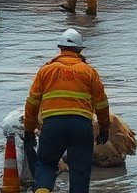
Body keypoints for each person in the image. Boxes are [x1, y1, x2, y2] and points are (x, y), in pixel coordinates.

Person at [23, 28, 110, 193]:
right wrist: (105, 127)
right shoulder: (89, 72)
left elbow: (32, 103)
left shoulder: (46, 71)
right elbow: (101, 103)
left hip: (52, 126)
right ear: (78, 50)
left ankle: (42, 190)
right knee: (80, 172)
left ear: (60, 48)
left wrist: (29, 129)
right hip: (81, 127)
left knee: (46, 164)